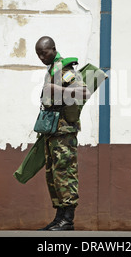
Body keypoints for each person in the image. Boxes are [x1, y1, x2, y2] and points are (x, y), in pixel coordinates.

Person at [35, 36, 90, 231]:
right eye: (39, 54)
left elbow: (84, 92)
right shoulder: (52, 69)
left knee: (65, 173)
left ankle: (68, 219)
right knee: (53, 175)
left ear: (53, 49)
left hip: (64, 132)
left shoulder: (65, 70)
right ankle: (59, 218)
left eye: (44, 52)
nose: (42, 57)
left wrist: (54, 89)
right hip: (53, 131)